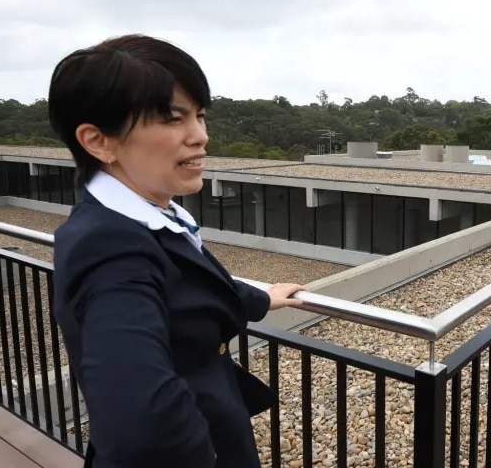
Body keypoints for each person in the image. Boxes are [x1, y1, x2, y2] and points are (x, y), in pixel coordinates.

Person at [47, 34, 304, 468]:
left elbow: (190, 283)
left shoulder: (141, 215)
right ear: (99, 141)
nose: (200, 136)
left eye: (200, 116)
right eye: (173, 118)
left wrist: (262, 298)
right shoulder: (111, 250)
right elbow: (140, 427)